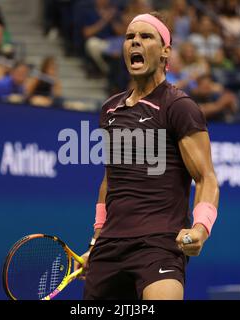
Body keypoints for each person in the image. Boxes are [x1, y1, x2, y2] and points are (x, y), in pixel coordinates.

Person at [76, 12, 220, 300]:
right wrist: (96, 238)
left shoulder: (179, 106)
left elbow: (206, 178)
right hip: (109, 248)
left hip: (159, 245)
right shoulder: (110, 109)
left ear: (166, 50)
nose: (135, 42)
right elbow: (110, 180)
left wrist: (201, 228)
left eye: (145, 36)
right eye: (130, 37)